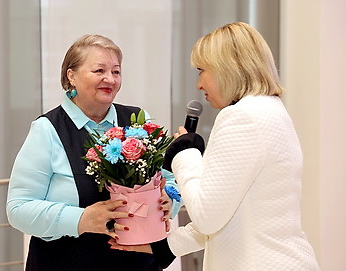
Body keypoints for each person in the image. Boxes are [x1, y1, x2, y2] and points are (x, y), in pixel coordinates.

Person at [109, 22, 321, 270]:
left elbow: (207, 217)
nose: (199, 85)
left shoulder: (241, 117)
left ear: (226, 69)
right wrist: (162, 248)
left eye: (201, 71)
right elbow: (227, 215)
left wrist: (184, 153)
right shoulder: (271, 110)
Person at [6, 34, 181, 271]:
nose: (110, 79)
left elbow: (170, 179)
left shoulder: (138, 121)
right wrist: (80, 219)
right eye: (99, 70)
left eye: (116, 72)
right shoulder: (47, 129)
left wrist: (170, 201)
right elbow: (18, 209)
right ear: (72, 76)